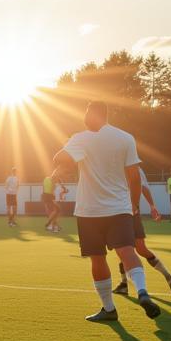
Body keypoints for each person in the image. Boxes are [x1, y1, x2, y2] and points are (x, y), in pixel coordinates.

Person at [53, 101, 160, 322]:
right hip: (120, 208)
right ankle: (142, 291)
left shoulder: (81, 138)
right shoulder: (125, 137)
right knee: (127, 251)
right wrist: (133, 204)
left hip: (89, 210)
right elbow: (134, 177)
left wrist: (69, 150)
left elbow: (59, 159)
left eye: (85, 111)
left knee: (97, 259)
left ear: (92, 113)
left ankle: (109, 309)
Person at [113, 168, 171, 294]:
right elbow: (143, 187)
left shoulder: (117, 165)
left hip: (119, 212)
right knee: (138, 249)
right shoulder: (134, 167)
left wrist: (152, 206)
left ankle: (124, 284)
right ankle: (170, 279)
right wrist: (152, 206)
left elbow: (141, 187)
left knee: (124, 249)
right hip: (132, 211)